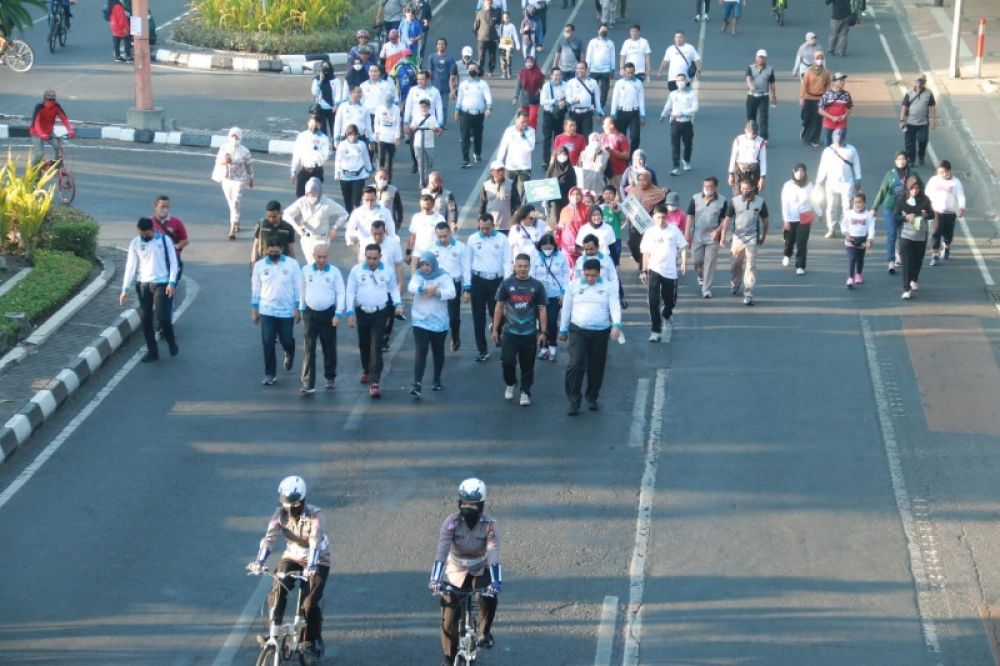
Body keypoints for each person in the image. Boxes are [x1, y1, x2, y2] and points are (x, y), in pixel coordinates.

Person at [247, 476, 330, 662]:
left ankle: (314, 638)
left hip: (317, 560)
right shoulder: (279, 514)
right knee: (277, 589)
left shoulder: (316, 516)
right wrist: (259, 562)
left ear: (299, 501)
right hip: (292, 556)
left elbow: (315, 540)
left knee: (309, 604)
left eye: (290, 503)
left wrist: (312, 566)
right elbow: (270, 537)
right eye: (284, 502)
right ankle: (274, 633)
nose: (287, 507)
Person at [429, 478, 502, 666]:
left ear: (482, 505)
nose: (469, 508)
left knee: (488, 598)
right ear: (459, 503)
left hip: (480, 568)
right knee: (448, 617)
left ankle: (484, 634)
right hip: (454, 570)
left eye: (474, 505)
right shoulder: (451, 523)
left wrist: (496, 582)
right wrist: (435, 580)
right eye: (465, 503)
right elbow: (442, 551)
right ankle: (448, 658)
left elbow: (493, 551)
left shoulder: (489, 525)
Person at [560, 257, 622, 414]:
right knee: (575, 363)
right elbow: (566, 308)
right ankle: (574, 399)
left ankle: (592, 396)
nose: (590, 278)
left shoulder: (608, 287)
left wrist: (616, 325)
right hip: (578, 329)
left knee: (596, 365)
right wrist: (563, 329)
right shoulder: (573, 286)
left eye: (593, 275)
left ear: (599, 273)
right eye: (587, 275)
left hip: (601, 330)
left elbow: (615, 306)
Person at [346, 244, 403, 398]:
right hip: (362, 312)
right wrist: (350, 312)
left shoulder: (387, 270)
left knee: (376, 347)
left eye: (375, 258)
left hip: (380, 312)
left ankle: (375, 382)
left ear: (380, 257)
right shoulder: (356, 271)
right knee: (364, 344)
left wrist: (398, 304)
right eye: (369, 258)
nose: (371, 261)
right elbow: (350, 291)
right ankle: (366, 370)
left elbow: (393, 289)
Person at [120, 217, 179, 362]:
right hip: (143, 285)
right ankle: (152, 351)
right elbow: (130, 267)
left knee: (163, 317)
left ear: (151, 229)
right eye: (140, 233)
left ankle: (171, 341)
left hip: (162, 283)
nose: (143, 236)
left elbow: (173, 262)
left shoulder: (164, 241)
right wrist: (124, 288)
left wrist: (171, 283)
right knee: (146, 320)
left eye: (145, 233)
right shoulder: (135, 243)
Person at [492, 254, 547, 406]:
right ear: (514, 266)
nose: (522, 269)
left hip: (529, 334)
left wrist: (543, 332)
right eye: (519, 266)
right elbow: (499, 306)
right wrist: (495, 329)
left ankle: (525, 391)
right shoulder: (506, 284)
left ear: (530, 267)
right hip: (510, 332)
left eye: (525, 266)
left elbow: (542, 309)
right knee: (507, 361)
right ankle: (511, 382)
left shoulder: (537, 286)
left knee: (527, 365)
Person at [251, 234, 302, 384]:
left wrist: (297, 308)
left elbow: (298, 287)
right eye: (270, 251)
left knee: (287, 340)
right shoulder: (260, 266)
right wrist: (254, 309)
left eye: (276, 251)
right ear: (266, 250)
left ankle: (289, 352)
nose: (273, 254)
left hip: (286, 310)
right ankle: (270, 374)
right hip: (267, 310)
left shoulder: (292, 265)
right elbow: (255, 288)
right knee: (268, 342)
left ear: (281, 249)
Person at [298, 243, 345, 394]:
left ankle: (330, 377)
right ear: (313, 256)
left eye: (324, 257)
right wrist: (300, 309)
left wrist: (338, 314)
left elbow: (341, 293)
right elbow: (301, 290)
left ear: (328, 256)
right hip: (310, 314)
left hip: (328, 314)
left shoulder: (334, 272)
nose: (321, 260)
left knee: (329, 347)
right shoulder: (305, 271)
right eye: (319, 257)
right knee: (309, 348)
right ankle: (308, 383)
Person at [408, 252, 457, 396]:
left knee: (438, 350)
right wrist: (423, 289)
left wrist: (437, 292)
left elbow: (452, 292)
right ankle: (417, 383)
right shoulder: (418, 275)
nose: (425, 268)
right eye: (422, 264)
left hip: (438, 321)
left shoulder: (444, 276)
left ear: (433, 264)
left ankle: (437, 379)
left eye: (427, 264)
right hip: (420, 320)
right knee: (421, 350)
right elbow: (412, 287)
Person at [467, 213, 512, 362]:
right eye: (482, 228)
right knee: (478, 316)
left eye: (487, 228)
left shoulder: (502, 239)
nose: (484, 230)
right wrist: (467, 285)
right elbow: (468, 262)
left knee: (498, 313)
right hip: (478, 280)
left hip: (497, 281)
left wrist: (507, 283)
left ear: (493, 225)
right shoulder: (473, 239)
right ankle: (482, 349)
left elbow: (507, 261)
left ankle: (496, 330)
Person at [640, 204, 687, 340]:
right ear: (654, 217)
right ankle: (655, 331)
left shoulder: (674, 231)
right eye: (658, 218)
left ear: (667, 217)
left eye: (664, 218)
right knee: (653, 301)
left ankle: (667, 313)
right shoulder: (650, 232)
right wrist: (644, 270)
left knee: (670, 301)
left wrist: (684, 262)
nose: (661, 220)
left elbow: (683, 247)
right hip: (654, 270)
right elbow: (646, 253)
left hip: (670, 272)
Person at [723, 178, 770, 306]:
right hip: (738, 237)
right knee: (735, 264)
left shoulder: (760, 202)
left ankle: (748, 292)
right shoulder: (734, 201)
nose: (744, 192)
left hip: (752, 237)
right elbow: (727, 219)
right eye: (742, 189)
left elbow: (765, 220)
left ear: (753, 188)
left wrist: (763, 236)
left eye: (747, 189)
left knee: (751, 265)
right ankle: (735, 282)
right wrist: (723, 235)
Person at [429, 222, 471, 352]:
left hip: (453, 285)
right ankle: (438, 342)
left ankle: (455, 336)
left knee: (453, 317)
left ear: (450, 233)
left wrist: (467, 289)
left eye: (445, 236)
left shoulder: (460, 247)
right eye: (439, 236)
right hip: (437, 286)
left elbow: (466, 268)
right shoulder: (431, 248)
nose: (442, 239)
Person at [283, 177, 347, 261]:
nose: (311, 196)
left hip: (322, 239)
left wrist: (334, 228)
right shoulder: (302, 201)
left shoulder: (327, 203)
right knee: (311, 264)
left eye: (313, 194)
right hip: (307, 239)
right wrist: (296, 227)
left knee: (319, 263)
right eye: (308, 194)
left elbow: (344, 214)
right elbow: (286, 214)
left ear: (319, 192)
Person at [894, 175, 936, 299]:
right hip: (906, 235)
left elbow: (932, 215)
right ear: (908, 188)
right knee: (906, 261)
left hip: (921, 236)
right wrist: (905, 217)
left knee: (917, 261)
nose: (914, 191)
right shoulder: (902, 201)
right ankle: (906, 289)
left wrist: (925, 214)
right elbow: (895, 217)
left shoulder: (925, 200)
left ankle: (914, 279)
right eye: (912, 188)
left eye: (917, 188)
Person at [685, 176, 727, 299]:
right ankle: (700, 276)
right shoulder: (695, 198)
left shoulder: (722, 201)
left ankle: (706, 289)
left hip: (712, 239)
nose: (707, 189)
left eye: (710, 187)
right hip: (697, 237)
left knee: (710, 264)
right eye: (705, 186)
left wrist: (718, 231)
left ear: (715, 188)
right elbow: (690, 217)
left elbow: (725, 220)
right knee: (696, 261)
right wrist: (687, 234)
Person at [816, 128, 861, 238]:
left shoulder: (851, 150)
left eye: (840, 140)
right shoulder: (828, 151)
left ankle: (845, 228)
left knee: (846, 207)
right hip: (831, 182)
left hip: (847, 182)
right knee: (831, 206)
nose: (838, 142)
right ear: (833, 139)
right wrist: (818, 182)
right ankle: (831, 228)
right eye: (836, 140)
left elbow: (856, 165)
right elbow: (823, 167)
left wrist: (858, 179)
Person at [871, 151, 910, 273]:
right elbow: (882, 191)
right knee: (892, 233)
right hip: (890, 208)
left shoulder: (912, 174)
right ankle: (891, 261)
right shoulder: (890, 175)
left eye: (903, 159)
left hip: (906, 209)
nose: (901, 161)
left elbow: (921, 190)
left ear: (907, 160)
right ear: (895, 161)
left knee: (902, 235)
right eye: (898, 159)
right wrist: (874, 207)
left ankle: (899, 254)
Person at [213, 127, 254, 240]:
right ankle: (236, 220)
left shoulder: (244, 151)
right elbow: (218, 161)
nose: (234, 138)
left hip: (239, 180)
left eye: (236, 136)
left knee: (235, 201)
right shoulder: (224, 148)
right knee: (231, 202)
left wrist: (251, 178)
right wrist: (224, 161)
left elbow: (249, 165)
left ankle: (232, 228)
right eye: (232, 136)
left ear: (240, 137)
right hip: (226, 179)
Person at [151, 195, 189, 317]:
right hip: (155, 264)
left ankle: (166, 322)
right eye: (162, 207)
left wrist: (176, 247)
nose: (165, 210)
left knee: (168, 292)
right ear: (155, 207)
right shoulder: (149, 222)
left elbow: (185, 240)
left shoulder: (176, 222)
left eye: (167, 207)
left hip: (173, 262)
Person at [780, 163, 819, 275]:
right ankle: (787, 254)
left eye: (802, 171)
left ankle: (800, 265)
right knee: (790, 240)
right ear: (794, 171)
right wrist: (786, 219)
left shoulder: (809, 185)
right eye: (798, 171)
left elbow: (813, 201)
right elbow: (784, 203)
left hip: (804, 217)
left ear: (805, 173)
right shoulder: (788, 185)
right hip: (791, 217)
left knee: (802, 242)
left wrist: (819, 212)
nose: (800, 173)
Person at [925, 160, 966, 265]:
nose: (943, 174)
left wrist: (961, 207)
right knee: (935, 233)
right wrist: (925, 206)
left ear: (949, 171)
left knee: (948, 234)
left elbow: (960, 196)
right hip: (936, 211)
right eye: (940, 172)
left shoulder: (956, 182)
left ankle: (946, 247)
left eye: (945, 172)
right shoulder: (933, 180)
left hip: (950, 213)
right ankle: (935, 256)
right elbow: (927, 194)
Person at [659, 73, 699, 176]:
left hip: (687, 122)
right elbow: (668, 105)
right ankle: (675, 167)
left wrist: (683, 112)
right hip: (675, 122)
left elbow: (695, 108)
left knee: (688, 144)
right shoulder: (673, 94)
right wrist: (663, 115)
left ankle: (686, 160)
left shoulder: (692, 93)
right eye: (678, 81)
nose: (680, 82)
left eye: (682, 80)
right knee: (675, 145)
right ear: (676, 82)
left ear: (686, 81)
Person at [455, 64, 493, 168]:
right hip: (465, 113)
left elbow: (488, 98)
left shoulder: (483, 84)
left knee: (478, 135)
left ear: (478, 70)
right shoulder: (463, 84)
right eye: (470, 68)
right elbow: (459, 99)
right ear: (468, 70)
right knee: (465, 136)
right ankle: (465, 159)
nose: (472, 70)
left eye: (474, 69)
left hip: (479, 114)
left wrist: (489, 108)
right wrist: (456, 111)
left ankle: (477, 153)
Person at [496, 110, 536, 202]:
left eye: (526, 121)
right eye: (522, 122)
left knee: (521, 194)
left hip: (524, 167)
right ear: (516, 120)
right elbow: (503, 147)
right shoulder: (509, 131)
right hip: (510, 167)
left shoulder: (531, 131)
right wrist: (499, 163)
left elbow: (530, 148)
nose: (524, 124)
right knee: (508, 192)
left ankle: (520, 213)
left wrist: (523, 136)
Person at [344, 186, 397, 253]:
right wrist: (349, 241)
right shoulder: (357, 212)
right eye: (367, 200)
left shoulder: (385, 211)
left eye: (372, 200)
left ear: (376, 198)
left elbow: (391, 229)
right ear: (362, 198)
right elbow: (350, 229)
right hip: (364, 247)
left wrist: (392, 244)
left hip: (382, 247)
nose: (369, 203)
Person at [334, 124, 373, 214]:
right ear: (346, 135)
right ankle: (349, 217)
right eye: (350, 134)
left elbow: (366, 158)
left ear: (357, 135)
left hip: (359, 176)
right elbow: (338, 160)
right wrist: (337, 173)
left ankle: (356, 219)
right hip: (345, 176)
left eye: (354, 134)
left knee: (356, 201)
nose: (352, 137)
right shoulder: (342, 145)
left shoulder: (362, 145)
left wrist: (369, 170)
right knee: (347, 201)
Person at [290, 115, 331, 198]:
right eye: (312, 125)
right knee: (300, 196)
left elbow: (324, 156)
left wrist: (316, 147)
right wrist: (293, 171)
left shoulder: (323, 138)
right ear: (308, 123)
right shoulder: (302, 136)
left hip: (316, 170)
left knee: (314, 197)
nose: (314, 127)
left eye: (316, 125)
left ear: (320, 125)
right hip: (304, 169)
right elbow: (296, 154)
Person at [29, 90, 75, 164]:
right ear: (44, 100)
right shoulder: (39, 107)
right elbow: (36, 123)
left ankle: (56, 166)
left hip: (49, 131)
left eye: (53, 100)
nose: (52, 102)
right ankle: (31, 170)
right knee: (40, 154)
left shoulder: (56, 107)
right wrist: (42, 134)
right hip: (36, 132)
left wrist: (69, 130)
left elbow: (64, 119)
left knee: (58, 148)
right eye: (49, 100)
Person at [406, 98, 444, 188]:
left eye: (425, 107)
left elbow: (437, 128)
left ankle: (427, 169)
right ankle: (422, 182)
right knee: (421, 163)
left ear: (429, 108)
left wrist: (435, 129)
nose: (424, 108)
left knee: (429, 161)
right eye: (422, 107)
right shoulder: (416, 116)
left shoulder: (432, 117)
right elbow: (411, 127)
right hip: (418, 143)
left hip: (429, 143)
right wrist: (411, 128)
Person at [900, 75, 937, 167]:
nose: (919, 83)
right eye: (917, 81)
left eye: (921, 81)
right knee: (909, 143)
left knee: (923, 140)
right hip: (910, 122)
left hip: (923, 123)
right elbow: (904, 107)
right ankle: (911, 159)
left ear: (924, 82)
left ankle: (921, 155)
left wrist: (933, 120)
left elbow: (932, 107)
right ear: (915, 82)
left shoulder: (928, 93)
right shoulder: (909, 93)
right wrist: (902, 120)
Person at [841, 192, 875, 288]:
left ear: (864, 203)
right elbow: (843, 225)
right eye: (856, 202)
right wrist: (846, 234)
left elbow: (871, 227)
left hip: (862, 240)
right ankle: (850, 278)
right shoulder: (848, 214)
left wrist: (870, 239)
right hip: (850, 240)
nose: (858, 204)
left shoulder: (868, 215)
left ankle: (858, 274)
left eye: (860, 202)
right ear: (853, 203)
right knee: (852, 259)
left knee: (860, 259)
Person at [610, 63, 645, 151]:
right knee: (621, 136)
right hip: (622, 112)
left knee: (635, 136)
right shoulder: (619, 83)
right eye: (628, 72)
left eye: (632, 73)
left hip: (634, 113)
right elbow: (615, 99)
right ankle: (623, 156)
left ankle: (633, 156)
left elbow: (641, 100)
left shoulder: (638, 83)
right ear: (624, 72)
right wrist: (613, 113)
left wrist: (643, 115)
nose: (630, 75)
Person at [799, 51, 830, 148]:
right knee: (808, 118)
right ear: (814, 59)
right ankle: (805, 132)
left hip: (820, 98)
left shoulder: (826, 72)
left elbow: (828, 85)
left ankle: (814, 139)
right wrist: (802, 98)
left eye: (821, 58)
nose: (820, 60)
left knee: (817, 120)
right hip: (809, 98)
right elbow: (804, 85)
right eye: (818, 58)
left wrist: (827, 97)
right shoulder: (809, 71)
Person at [251, 201, 297, 266]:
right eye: (269, 216)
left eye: (274, 216)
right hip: (264, 262)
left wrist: (294, 265)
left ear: (280, 214)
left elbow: (291, 249)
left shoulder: (288, 228)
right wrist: (253, 263)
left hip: (282, 263)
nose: (271, 219)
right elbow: (256, 245)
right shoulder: (261, 225)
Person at [727, 120, 767, 194]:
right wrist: (730, 174)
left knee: (753, 194)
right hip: (739, 170)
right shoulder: (738, 139)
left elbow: (763, 160)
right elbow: (733, 158)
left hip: (754, 171)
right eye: (749, 132)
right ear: (745, 130)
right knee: (737, 194)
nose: (751, 135)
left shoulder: (761, 142)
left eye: (754, 133)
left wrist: (762, 177)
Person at [745, 50, 777, 141]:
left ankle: (763, 138)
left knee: (763, 118)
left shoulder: (770, 69)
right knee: (751, 118)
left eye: (762, 57)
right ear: (756, 57)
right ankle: (751, 135)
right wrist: (751, 86)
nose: (760, 59)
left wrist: (774, 96)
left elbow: (772, 84)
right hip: (752, 96)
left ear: (765, 59)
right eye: (759, 57)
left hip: (764, 96)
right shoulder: (750, 67)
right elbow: (748, 79)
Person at [407, 193, 447, 266]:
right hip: (418, 255)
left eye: (427, 207)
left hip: (433, 254)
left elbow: (444, 238)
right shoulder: (416, 217)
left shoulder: (439, 218)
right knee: (415, 277)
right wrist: (408, 253)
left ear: (433, 205)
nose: (425, 209)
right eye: (423, 207)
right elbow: (412, 237)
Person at [426, 38, 459, 127]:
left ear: (445, 46)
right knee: (433, 106)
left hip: (445, 87)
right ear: (436, 46)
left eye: (443, 44)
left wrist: (453, 90)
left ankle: (443, 123)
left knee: (444, 107)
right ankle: (434, 122)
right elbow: (430, 72)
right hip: (434, 86)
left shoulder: (450, 58)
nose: (441, 45)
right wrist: (427, 85)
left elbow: (452, 75)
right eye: (439, 44)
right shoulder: (432, 57)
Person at [540, 68, 568, 165]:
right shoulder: (547, 86)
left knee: (558, 137)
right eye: (555, 75)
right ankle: (546, 161)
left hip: (560, 114)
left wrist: (564, 102)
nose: (557, 77)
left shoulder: (565, 85)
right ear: (551, 76)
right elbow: (542, 101)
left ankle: (557, 158)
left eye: (559, 75)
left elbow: (569, 98)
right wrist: (556, 101)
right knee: (547, 137)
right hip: (548, 113)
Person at [480, 163, 519, 233]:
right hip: (490, 226)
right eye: (498, 170)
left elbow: (516, 203)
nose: (500, 172)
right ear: (492, 172)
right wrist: (480, 220)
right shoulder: (486, 185)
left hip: (507, 225)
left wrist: (517, 219)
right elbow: (483, 204)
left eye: (502, 170)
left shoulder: (511, 183)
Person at [310, 61, 346, 138]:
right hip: (321, 108)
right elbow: (314, 92)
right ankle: (324, 145)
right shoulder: (317, 79)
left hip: (332, 108)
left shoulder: (335, 80)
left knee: (334, 128)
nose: (325, 69)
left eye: (327, 66)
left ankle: (334, 145)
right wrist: (320, 81)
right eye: (323, 67)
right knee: (322, 129)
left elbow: (338, 93)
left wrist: (336, 105)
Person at [373, 93, 402, 183]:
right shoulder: (379, 109)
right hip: (382, 137)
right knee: (381, 158)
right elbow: (376, 122)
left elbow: (398, 123)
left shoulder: (396, 109)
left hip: (392, 138)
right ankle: (380, 176)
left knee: (390, 160)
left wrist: (397, 137)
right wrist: (376, 134)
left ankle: (388, 179)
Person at [557, 186, 589, 267]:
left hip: (582, 245)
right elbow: (560, 228)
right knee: (569, 271)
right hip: (567, 245)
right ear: (569, 196)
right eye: (573, 194)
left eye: (578, 194)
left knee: (582, 270)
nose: (575, 196)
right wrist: (557, 242)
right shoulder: (564, 210)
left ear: (581, 196)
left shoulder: (586, 209)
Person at [818, 72, 852, 146]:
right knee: (828, 146)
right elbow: (820, 110)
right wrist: (832, 117)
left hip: (841, 124)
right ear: (834, 82)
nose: (843, 82)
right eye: (840, 80)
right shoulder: (827, 95)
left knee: (839, 145)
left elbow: (850, 108)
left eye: (843, 80)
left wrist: (845, 115)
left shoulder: (846, 95)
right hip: (829, 124)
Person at [586, 25, 616, 107]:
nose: (604, 32)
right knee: (592, 89)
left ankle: (601, 106)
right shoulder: (592, 42)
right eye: (602, 30)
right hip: (594, 70)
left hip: (605, 71)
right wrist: (586, 67)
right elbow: (589, 55)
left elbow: (612, 56)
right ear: (598, 31)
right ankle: (592, 104)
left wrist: (613, 69)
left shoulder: (610, 43)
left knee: (604, 90)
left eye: (605, 31)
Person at [514, 55, 545, 130]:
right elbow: (518, 86)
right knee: (524, 118)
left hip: (535, 99)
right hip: (524, 99)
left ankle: (532, 135)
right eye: (527, 62)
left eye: (531, 62)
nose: (529, 64)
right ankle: (525, 132)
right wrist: (515, 97)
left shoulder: (538, 73)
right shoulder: (521, 73)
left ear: (534, 63)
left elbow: (543, 85)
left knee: (532, 118)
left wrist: (541, 92)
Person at [472, 0, 500, 77]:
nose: (488, 4)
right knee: (481, 57)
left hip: (492, 38)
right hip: (481, 39)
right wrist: (478, 36)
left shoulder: (496, 12)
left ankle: (491, 70)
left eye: (490, 3)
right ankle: (480, 71)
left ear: (492, 4)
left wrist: (498, 37)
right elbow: (475, 27)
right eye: (487, 3)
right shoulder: (480, 13)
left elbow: (500, 25)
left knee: (492, 56)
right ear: (484, 3)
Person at [497, 11, 520, 79]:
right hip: (502, 44)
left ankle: (509, 72)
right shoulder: (501, 25)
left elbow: (515, 35)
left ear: (509, 18)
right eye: (504, 18)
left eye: (507, 18)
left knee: (508, 59)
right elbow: (499, 35)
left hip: (509, 44)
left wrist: (517, 45)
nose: (505, 19)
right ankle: (504, 72)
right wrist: (497, 29)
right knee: (502, 59)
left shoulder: (511, 26)